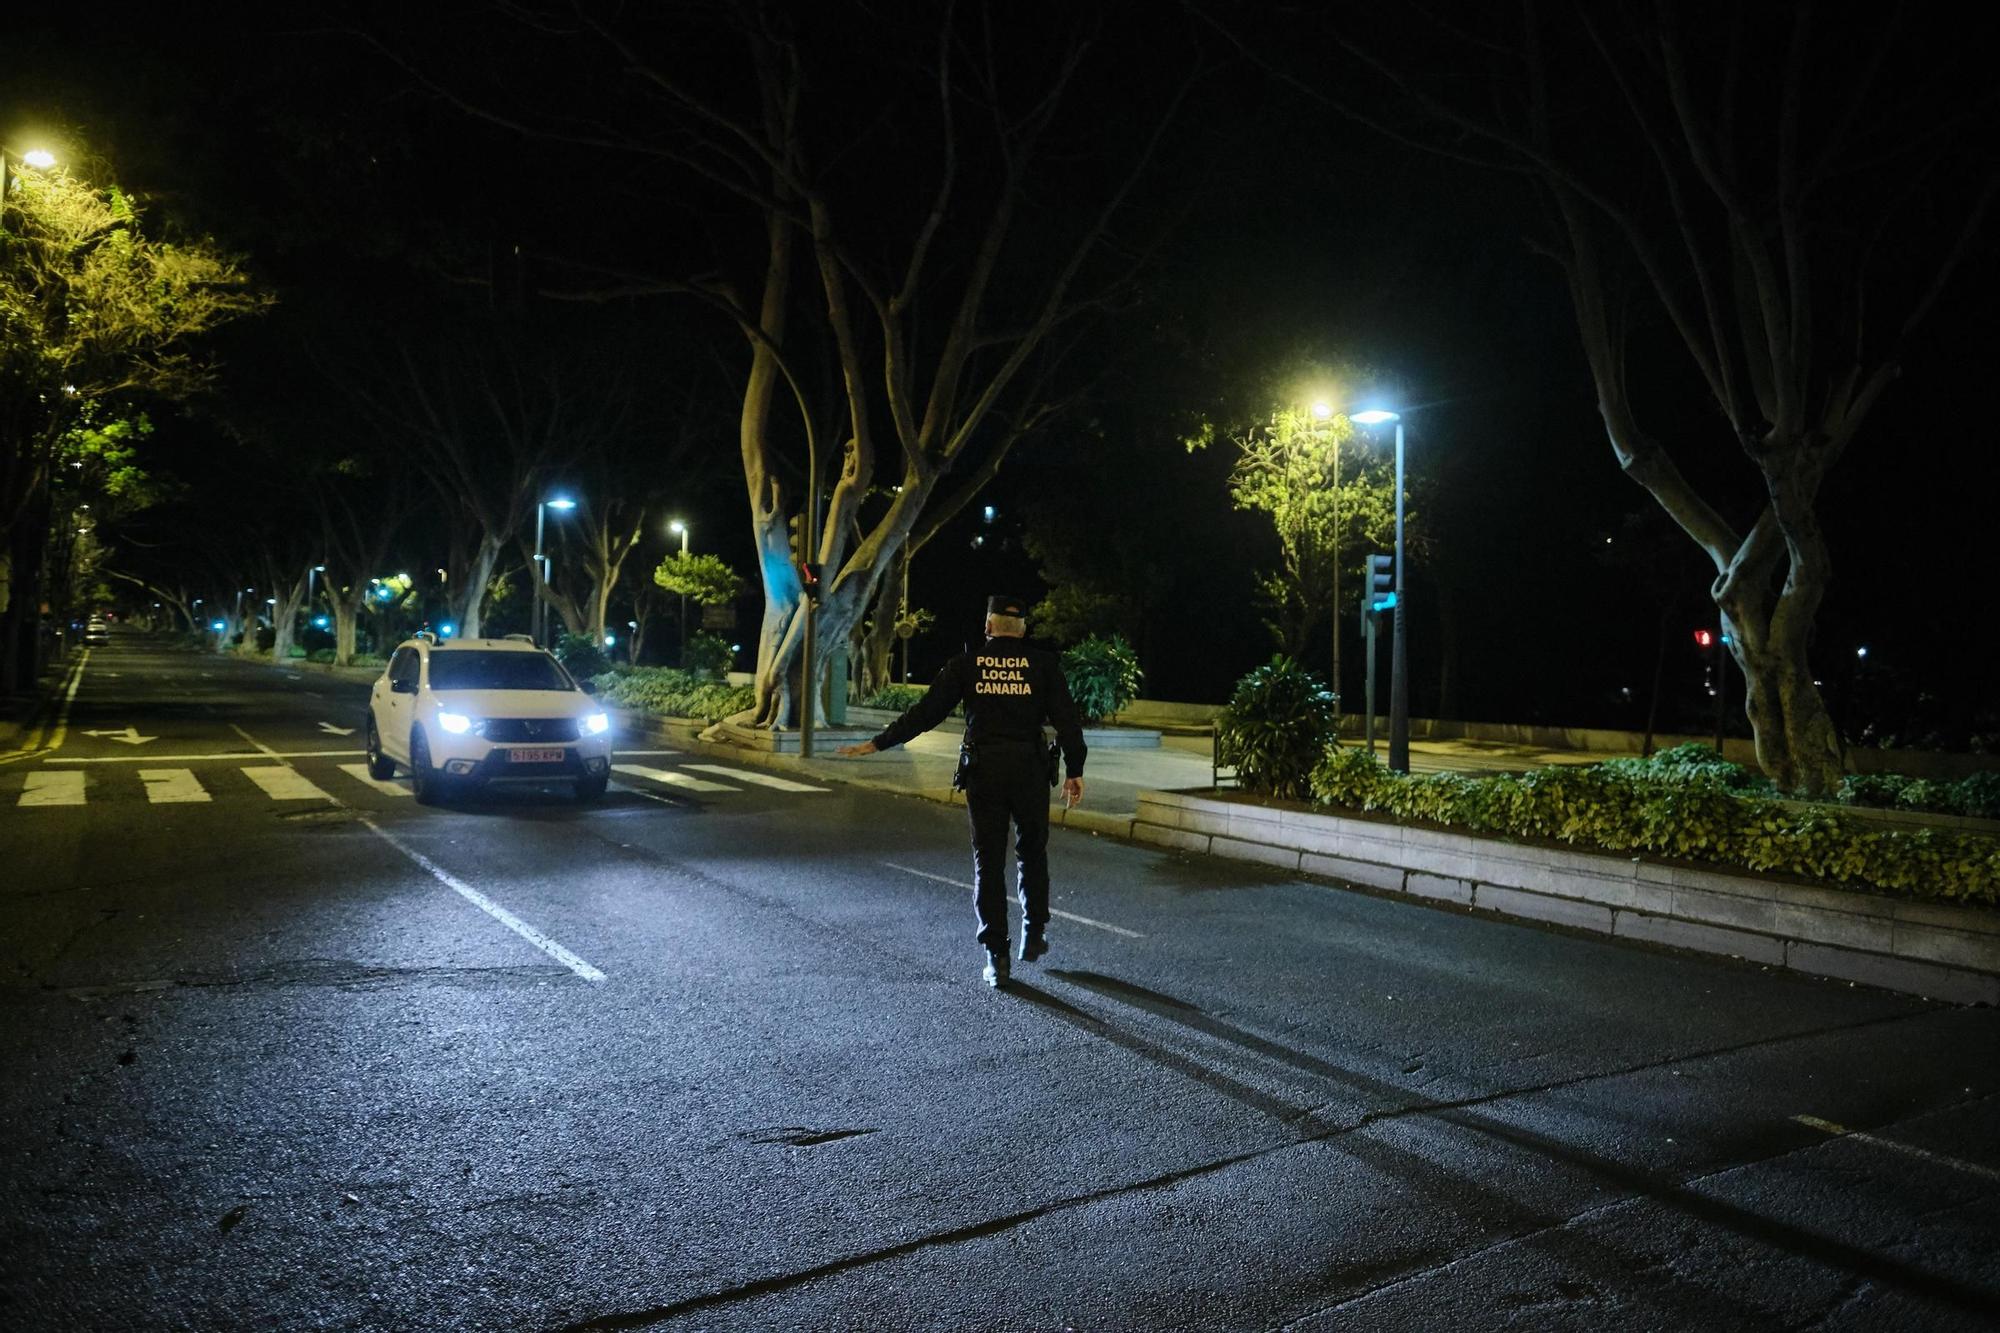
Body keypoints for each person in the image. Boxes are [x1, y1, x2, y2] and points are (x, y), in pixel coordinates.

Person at [838, 594, 1086, 988]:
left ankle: (996, 956)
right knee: (1031, 852)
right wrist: (1075, 769)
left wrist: (879, 742)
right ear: (1022, 630)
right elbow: (1068, 722)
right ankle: (1034, 932)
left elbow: (927, 712)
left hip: (984, 771)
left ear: (987, 627)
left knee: (988, 861)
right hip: (1030, 771)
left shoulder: (966, 666)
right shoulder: (1042, 665)